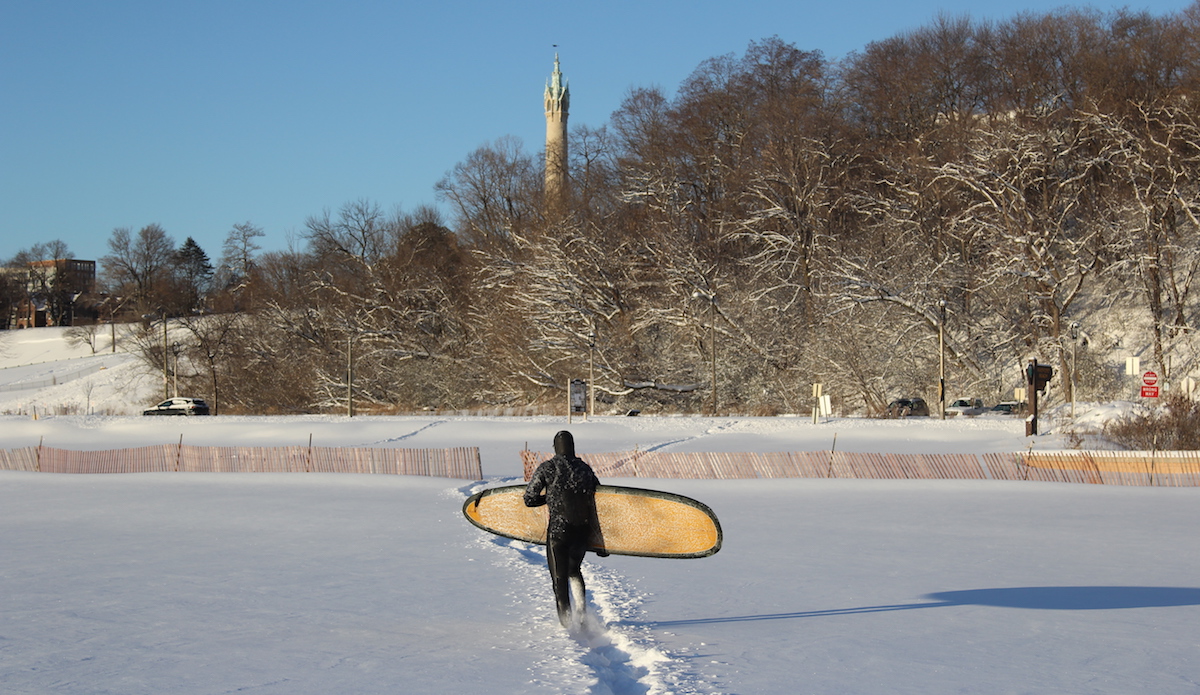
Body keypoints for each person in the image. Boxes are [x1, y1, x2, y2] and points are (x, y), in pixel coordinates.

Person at [524, 430, 607, 627]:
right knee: (574, 570)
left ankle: (567, 626)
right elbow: (600, 500)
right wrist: (603, 540)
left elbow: (529, 499)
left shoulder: (548, 467)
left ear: (555, 447)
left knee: (559, 580)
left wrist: (550, 498)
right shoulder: (585, 469)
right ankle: (582, 617)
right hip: (582, 531)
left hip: (559, 531)